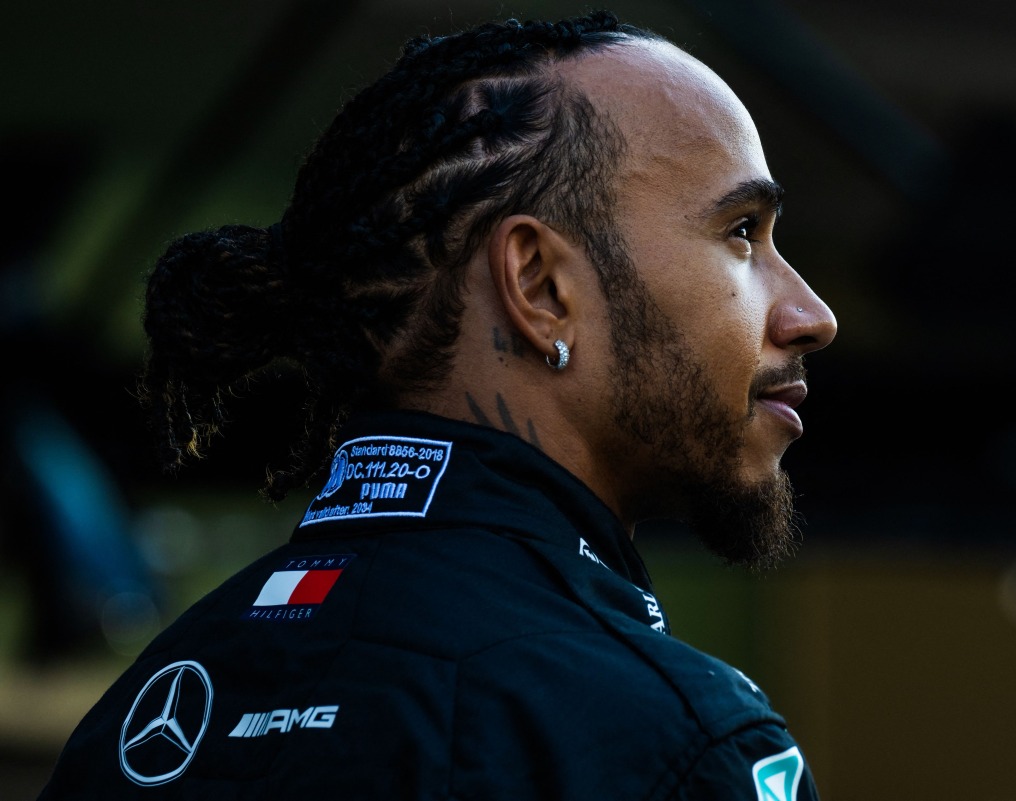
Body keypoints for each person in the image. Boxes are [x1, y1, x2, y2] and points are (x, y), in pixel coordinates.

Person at [39, 9, 836, 799]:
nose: (811, 315)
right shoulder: (675, 743)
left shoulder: (130, 726)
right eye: (741, 231)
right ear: (540, 287)